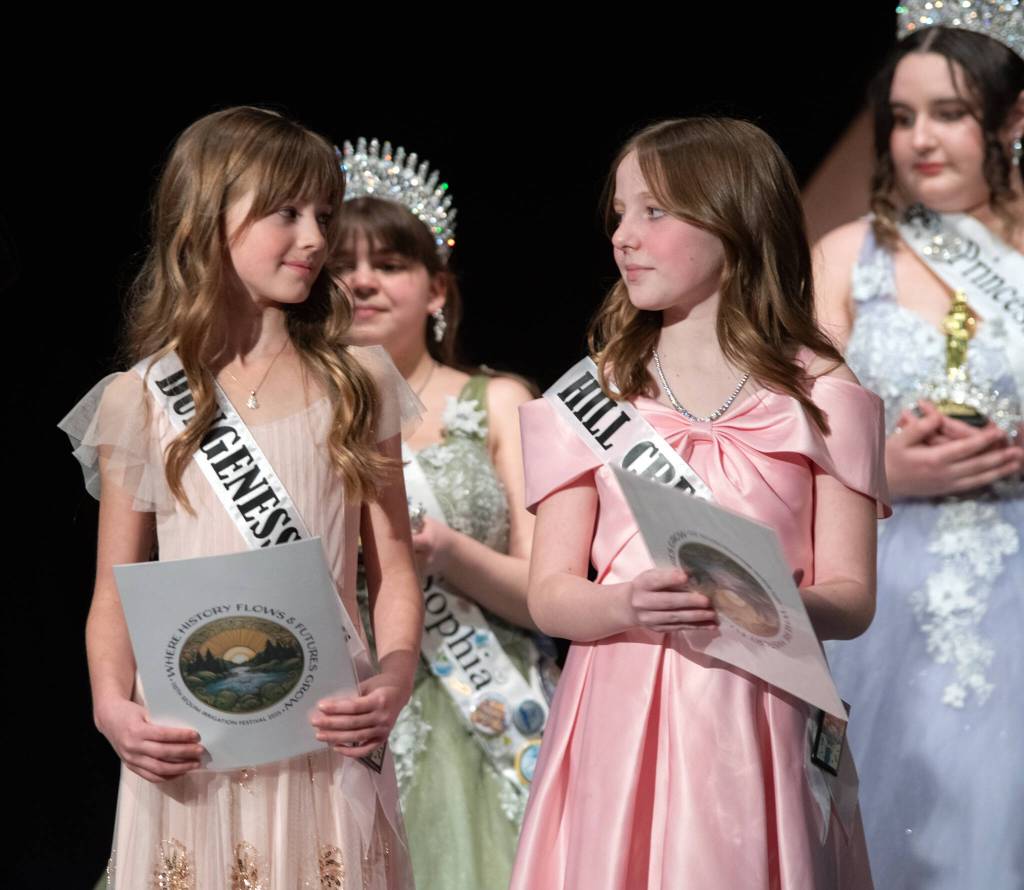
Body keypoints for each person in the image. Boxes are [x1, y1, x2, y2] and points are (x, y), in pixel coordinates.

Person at [509, 117, 888, 890]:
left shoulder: (822, 398)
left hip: (757, 713)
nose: (624, 236)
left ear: (736, 218)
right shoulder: (587, 400)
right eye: (618, 213)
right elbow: (550, 595)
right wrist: (626, 605)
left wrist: (762, 596)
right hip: (618, 707)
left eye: (655, 211)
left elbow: (853, 600)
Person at [59, 107, 423, 889]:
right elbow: (112, 594)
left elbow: (393, 566)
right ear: (204, 218)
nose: (317, 238)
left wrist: (392, 679)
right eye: (285, 212)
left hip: (326, 743)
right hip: (193, 750)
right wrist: (110, 707)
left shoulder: (358, 384)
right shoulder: (145, 397)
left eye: (323, 215)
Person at [813, 14, 1024, 888]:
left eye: (947, 112)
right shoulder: (841, 254)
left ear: (1011, 121)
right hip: (882, 586)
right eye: (901, 118)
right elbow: (790, 440)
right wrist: (883, 471)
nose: (920, 139)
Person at [333, 137, 555, 890]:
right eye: (340, 265)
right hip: (350, 708)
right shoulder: (298, 414)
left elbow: (546, 588)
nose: (361, 282)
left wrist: (447, 554)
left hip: (485, 713)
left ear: (436, 290)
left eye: (389, 264)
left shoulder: (499, 402)